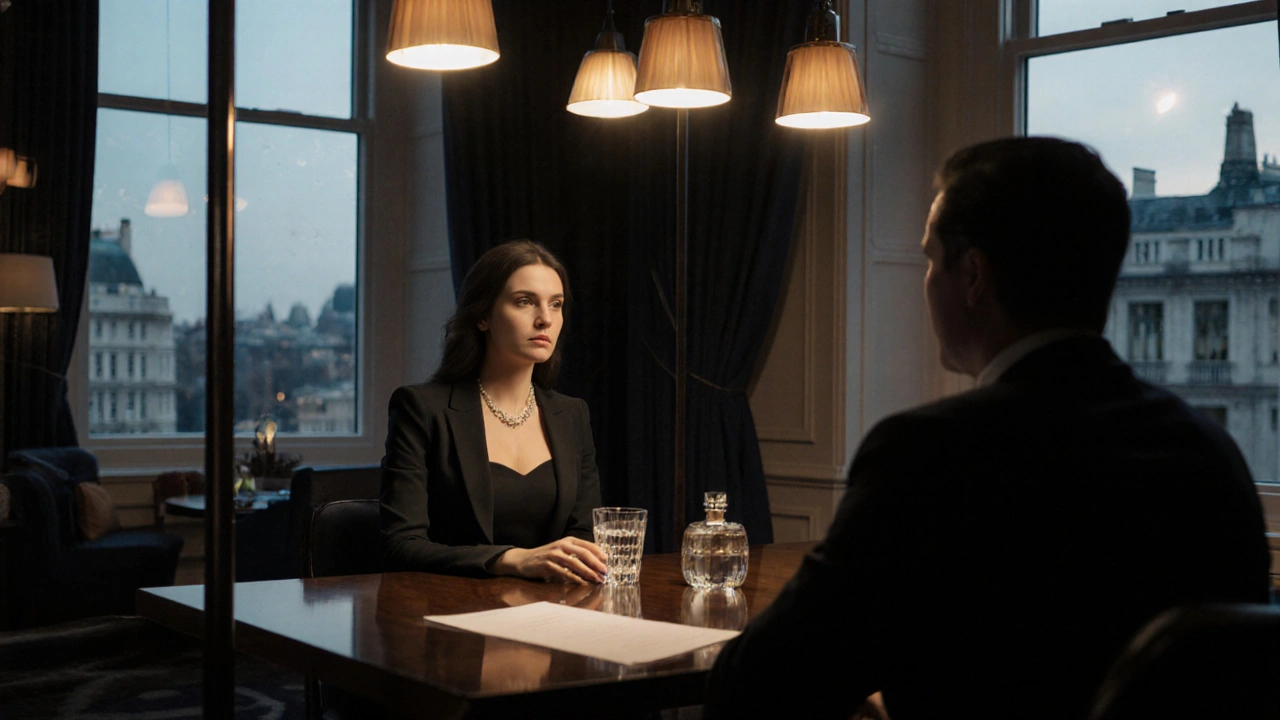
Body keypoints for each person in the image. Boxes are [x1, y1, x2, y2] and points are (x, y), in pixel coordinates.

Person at [704, 137, 1272, 719]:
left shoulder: (930, 454)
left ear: (973, 275)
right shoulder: (1211, 455)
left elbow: (757, 686)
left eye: (930, 259)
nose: (926, 282)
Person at [380, 240, 608, 583]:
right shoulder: (421, 409)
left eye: (556, 304)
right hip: (450, 613)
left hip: (551, 614)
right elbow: (401, 545)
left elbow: (585, 536)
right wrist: (512, 559)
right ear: (483, 315)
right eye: (524, 302)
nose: (545, 319)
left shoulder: (572, 415)